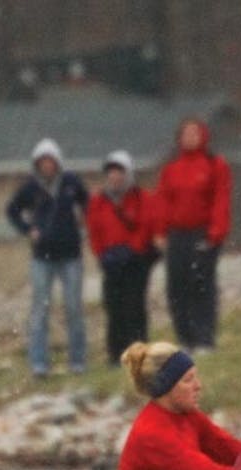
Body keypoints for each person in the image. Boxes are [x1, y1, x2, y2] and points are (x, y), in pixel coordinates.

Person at [117, 341, 241, 470]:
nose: (198, 386)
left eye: (196, 377)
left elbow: (233, 450)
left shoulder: (188, 416)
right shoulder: (152, 434)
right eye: (188, 380)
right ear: (166, 387)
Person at [6, 138, 89, 377]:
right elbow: (12, 210)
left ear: (57, 162)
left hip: (70, 254)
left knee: (73, 308)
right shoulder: (31, 188)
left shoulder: (71, 183)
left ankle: (78, 360)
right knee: (40, 310)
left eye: (51, 161)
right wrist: (27, 229)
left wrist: (83, 225)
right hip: (42, 256)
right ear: (37, 164)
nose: (47, 165)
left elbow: (89, 205)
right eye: (42, 161)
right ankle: (39, 363)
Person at [154, 117, 232, 353]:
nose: (190, 138)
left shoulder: (214, 165)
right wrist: (160, 231)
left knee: (201, 285)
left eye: (194, 133)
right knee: (177, 286)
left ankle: (204, 338)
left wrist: (215, 233)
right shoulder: (171, 168)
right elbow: (163, 201)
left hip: (202, 233)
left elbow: (221, 200)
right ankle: (185, 338)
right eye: (186, 133)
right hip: (177, 234)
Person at [86, 150, 158, 366]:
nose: (115, 177)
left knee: (135, 308)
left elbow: (147, 224)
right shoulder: (99, 201)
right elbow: (94, 230)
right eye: (111, 173)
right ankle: (116, 354)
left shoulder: (141, 197)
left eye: (119, 172)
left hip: (135, 261)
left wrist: (133, 250)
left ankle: (139, 355)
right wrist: (102, 254)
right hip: (111, 262)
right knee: (114, 309)